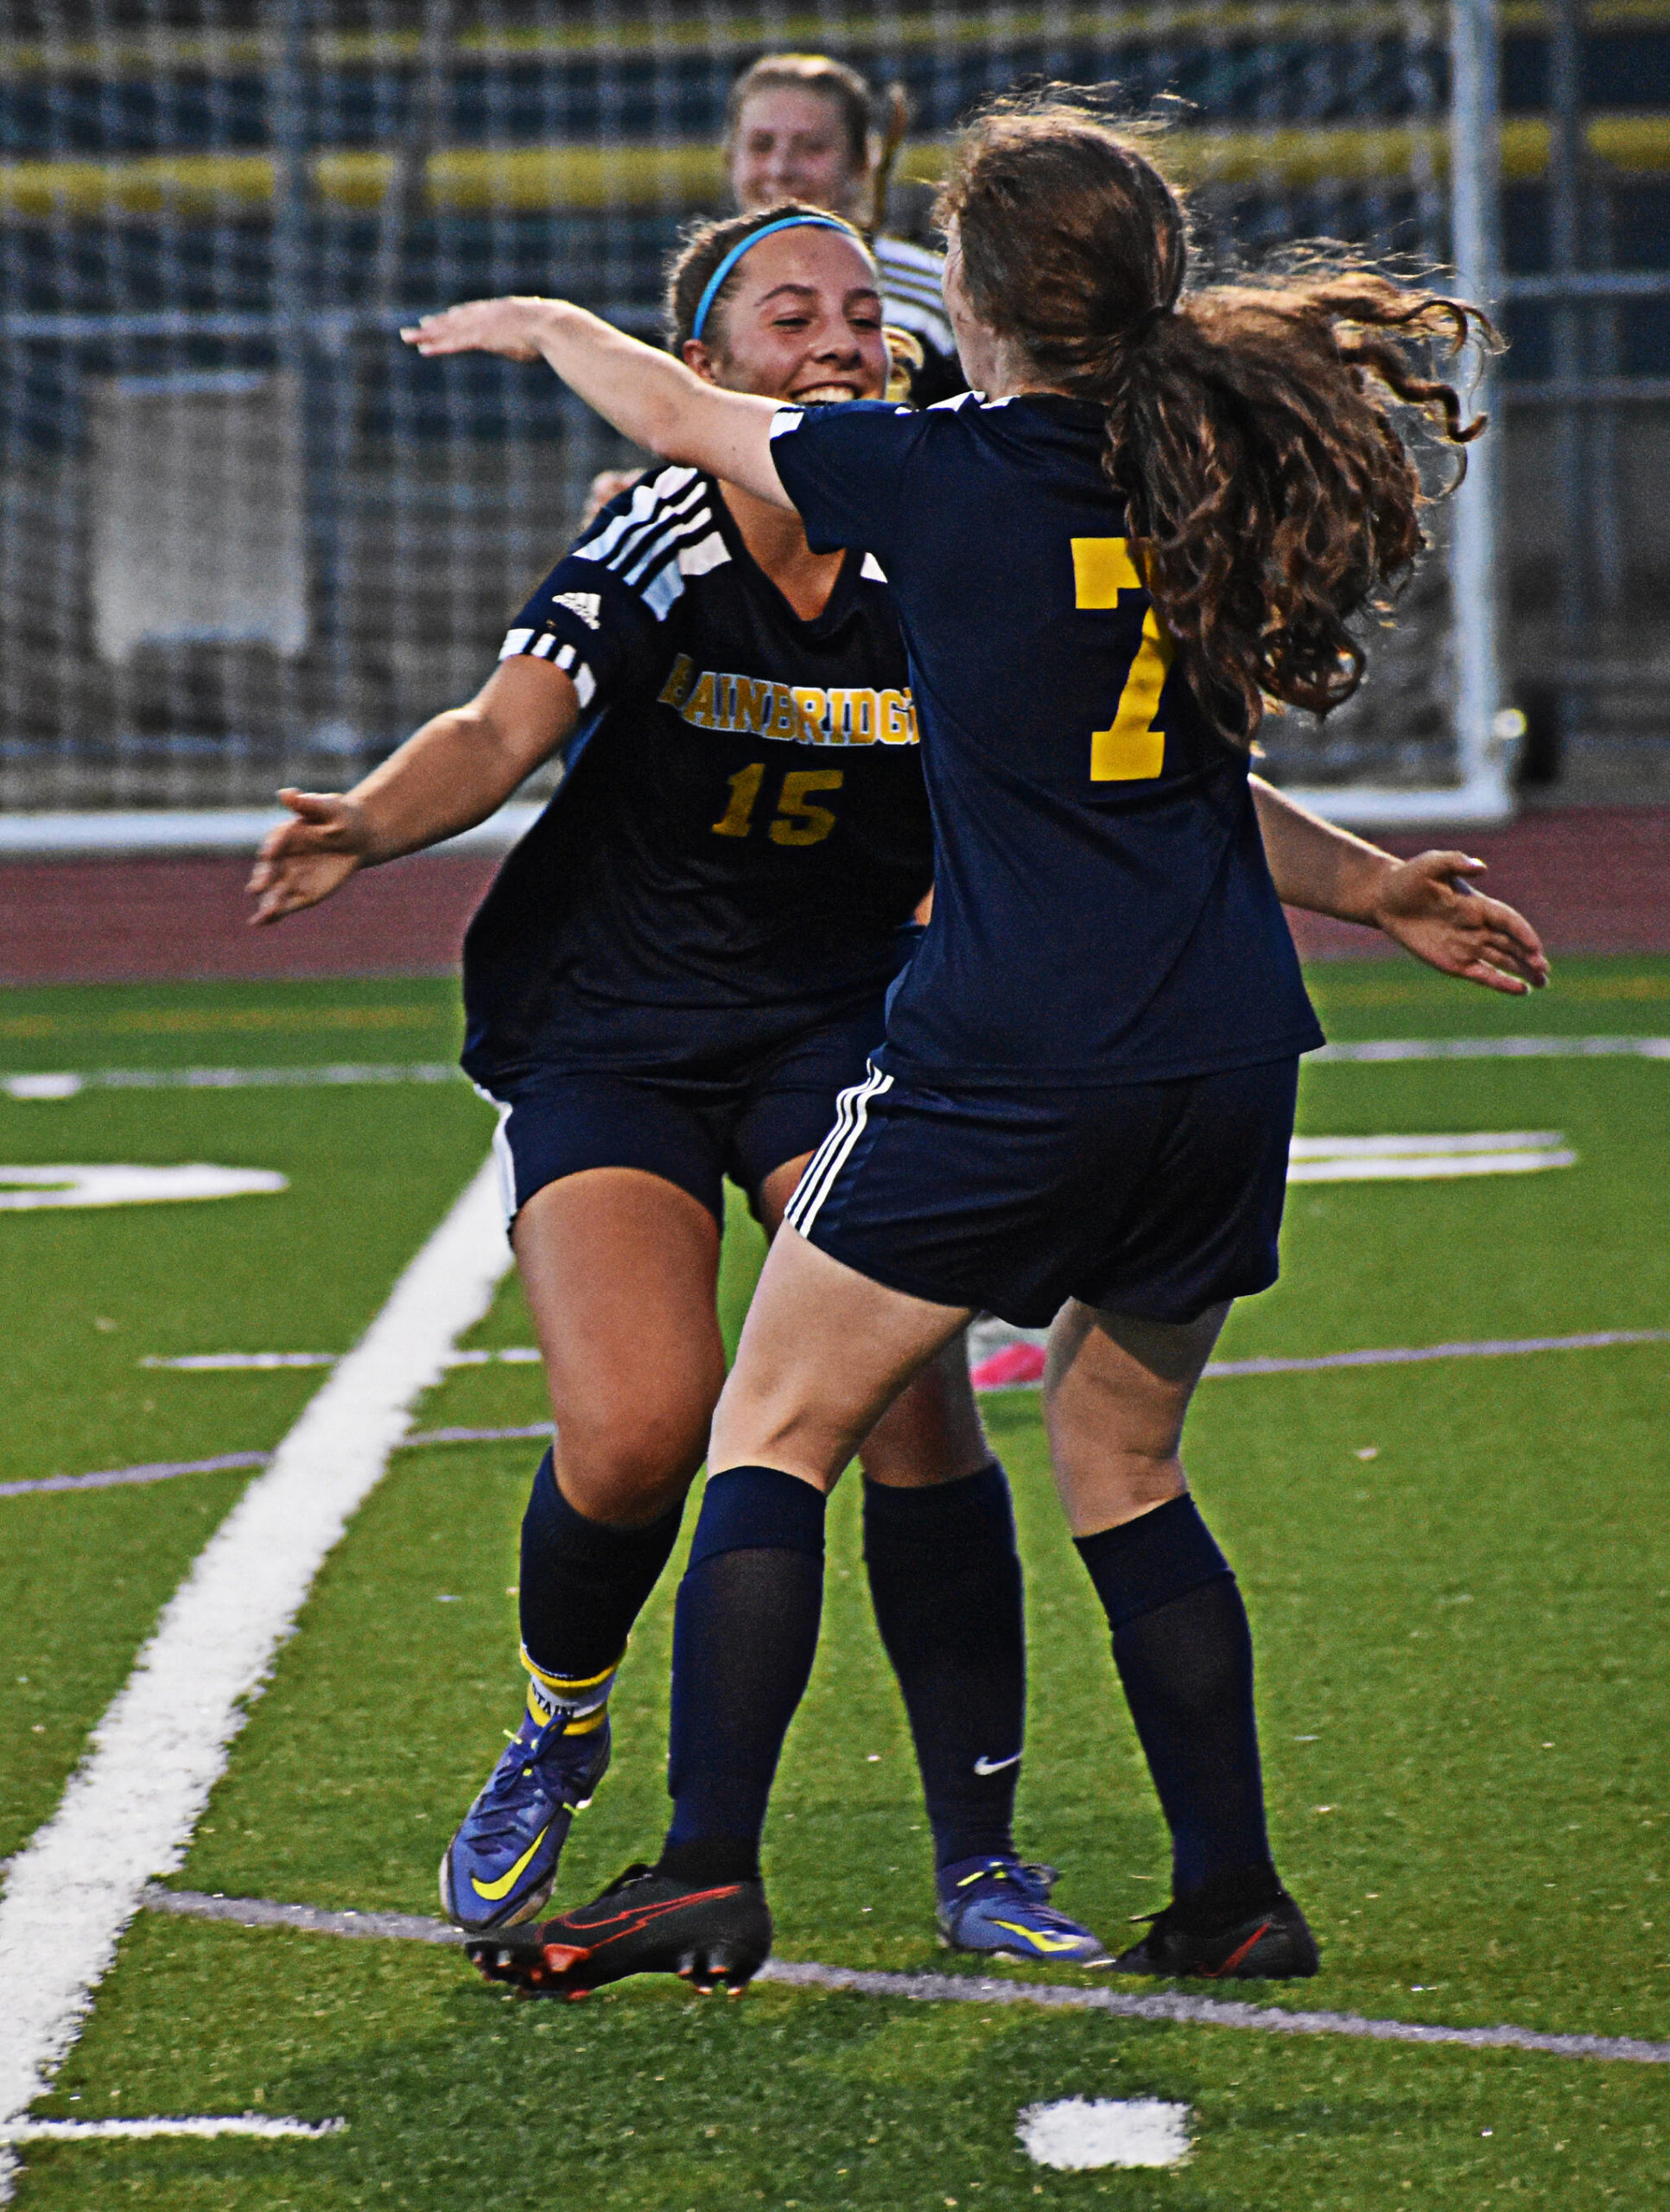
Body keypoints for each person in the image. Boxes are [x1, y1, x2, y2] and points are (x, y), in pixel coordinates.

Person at [402, 90, 1547, 2001]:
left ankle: (699, 1866)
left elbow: (682, 420)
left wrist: (545, 327)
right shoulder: (1189, 472)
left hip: (1015, 1051)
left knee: (768, 1427)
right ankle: (1232, 1891)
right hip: (1225, 1052)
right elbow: (1187, 779)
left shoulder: (934, 477)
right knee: (1121, 1452)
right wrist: (1377, 894)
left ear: (982, 308)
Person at [251, 203, 1111, 1971]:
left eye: (862, 308)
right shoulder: (664, 531)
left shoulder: (938, 532)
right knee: (640, 1429)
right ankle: (564, 1719)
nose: (839, 335)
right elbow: (500, 730)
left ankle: (984, 1855)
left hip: (840, 1028)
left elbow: (1113, 760)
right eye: (788, 313)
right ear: (700, 375)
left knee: (914, 1399)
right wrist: (367, 818)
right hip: (615, 1026)